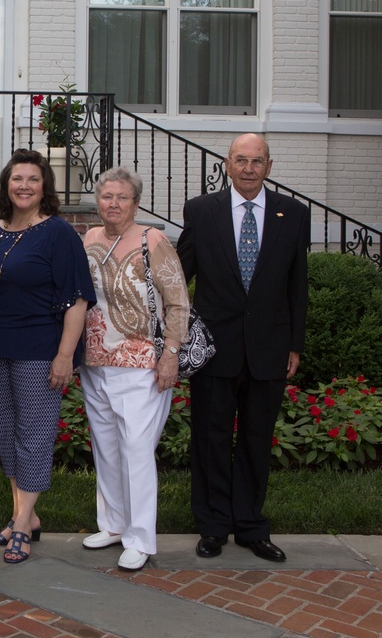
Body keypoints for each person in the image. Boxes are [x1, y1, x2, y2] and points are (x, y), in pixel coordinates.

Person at [177, 133, 309, 563]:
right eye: (241, 160)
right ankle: (214, 526)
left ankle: (251, 526)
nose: (249, 168)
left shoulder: (294, 215)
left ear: (269, 166)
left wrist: (295, 345)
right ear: (227, 165)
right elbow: (179, 279)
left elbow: (297, 286)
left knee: (256, 439)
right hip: (215, 348)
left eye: (257, 161)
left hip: (269, 349)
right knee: (211, 439)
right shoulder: (202, 211)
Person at [0, 149, 94, 564]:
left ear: (44, 186)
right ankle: (23, 516)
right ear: (6, 185)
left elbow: (77, 300)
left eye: (32, 179)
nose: (24, 186)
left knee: (35, 436)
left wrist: (65, 355)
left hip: (40, 352)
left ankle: (22, 524)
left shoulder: (58, 234)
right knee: (8, 434)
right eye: (16, 179)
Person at [78, 167, 188, 571]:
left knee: (137, 451)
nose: (113, 204)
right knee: (105, 446)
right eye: (107, 196)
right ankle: (113, 524)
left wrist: (171, 354)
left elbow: (178, 301)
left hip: (143, 365)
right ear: (98, 200)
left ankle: (140, 537)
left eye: (122, 197)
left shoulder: (152, 240)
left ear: (135, 202)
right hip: (95, 362)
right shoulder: (89, 238)